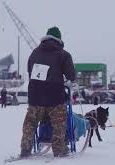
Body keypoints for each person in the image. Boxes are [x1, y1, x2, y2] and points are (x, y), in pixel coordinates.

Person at [20, 26, 76, 157]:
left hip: (35, 95)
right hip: (54, 95)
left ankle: (25, 149)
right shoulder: (64, 54)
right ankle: (59, 149)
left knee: (30, 122)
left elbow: (30, 71)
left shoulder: (34, 53)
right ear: (59, 39)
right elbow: (71, 76)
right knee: (59, 123)